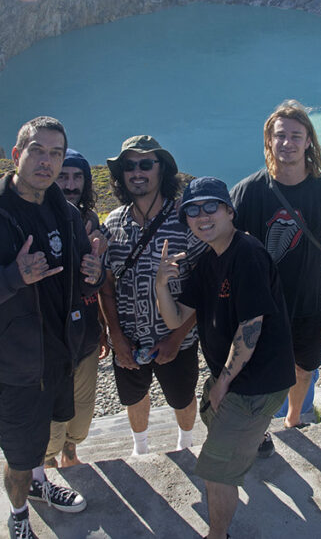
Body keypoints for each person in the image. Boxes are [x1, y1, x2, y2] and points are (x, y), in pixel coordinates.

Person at [0, 117, 104, 539]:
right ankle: (18, 514)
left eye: (56, 153)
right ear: (16, 155)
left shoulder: (62, 211)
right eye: (37, 151)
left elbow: (83, 277)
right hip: (16, 363)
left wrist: (96, 273)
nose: (46, 163)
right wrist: (13, 275)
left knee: (43, 439)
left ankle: (41, 485)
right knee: (19, 449)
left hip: (58, 355)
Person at [155, 177, 295, 539]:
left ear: (229, 211)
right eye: (192, 210)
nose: (202, 216)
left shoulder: (246, 254)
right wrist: (160, 286)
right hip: (237, 382)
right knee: (220, 449)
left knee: (215, 473)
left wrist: (223, 384)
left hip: (254, 384)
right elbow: (175, 319)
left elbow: (250, 328)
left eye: (210, 207)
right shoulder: (208, 261)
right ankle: (247, 446)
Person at [230, 100, 321, 439]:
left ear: (309, 141)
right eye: (280, 135)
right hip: (260, 306)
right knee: (256, 370)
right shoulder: (248, 191)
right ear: (269, 140)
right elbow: (227, 249)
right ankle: (260, 429)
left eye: (295, 136)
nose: (287, 143)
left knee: (304, 369)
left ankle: (294, 418)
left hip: (309, 304)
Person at [99, 135, 206, 456]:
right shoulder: (113, 223)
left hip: (179, 341)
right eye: (129, 166)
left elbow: (205, 285)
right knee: (133, 396)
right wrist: (116, 336)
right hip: (129, 339)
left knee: (182, 397)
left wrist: (177, 337)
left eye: (146, 164)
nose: (137, 172)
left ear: (162, 170)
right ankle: (140, 449)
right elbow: (106, 285)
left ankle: (185, 444)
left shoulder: (185, 221)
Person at [43, 149, 110, 468]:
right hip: (51, 339)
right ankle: (47, 460)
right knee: (53, 411)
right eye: (63, 176)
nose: (70, 185)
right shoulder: (39, 219)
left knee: (82, 409)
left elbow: (93, 282)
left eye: (77, 177)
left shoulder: (91, 221)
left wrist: (103, 328)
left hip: (85, 334)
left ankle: (70, 451)